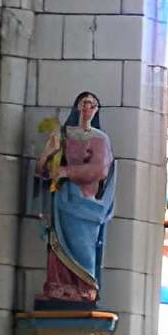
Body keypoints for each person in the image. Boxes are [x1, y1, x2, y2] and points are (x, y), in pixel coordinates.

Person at [37, 91, 116, 307]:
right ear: (77, 107)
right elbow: (44, 170)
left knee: (83, 247)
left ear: (97, 110)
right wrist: (48, 157)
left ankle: (84, 290)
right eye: (83, 103)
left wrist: (66, 171)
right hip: (62, 200)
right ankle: (59, 289)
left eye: (92, 105)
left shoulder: (100, 139)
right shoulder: (63, 135)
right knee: (58, 245)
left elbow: (99, 169)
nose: (87, 108)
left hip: (85, 201)